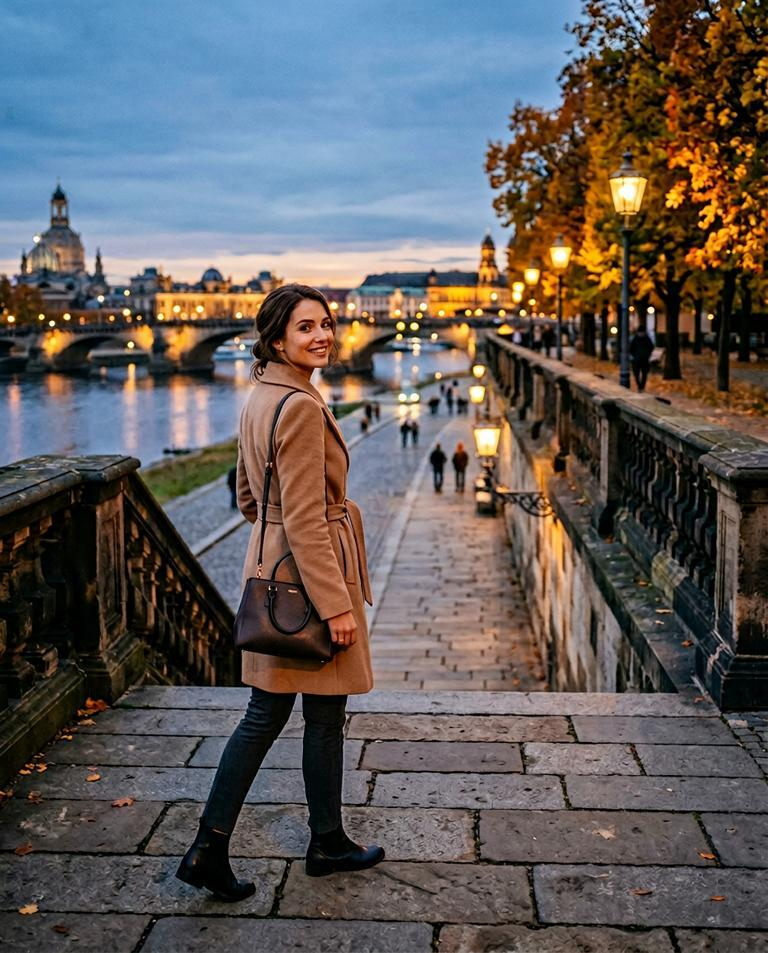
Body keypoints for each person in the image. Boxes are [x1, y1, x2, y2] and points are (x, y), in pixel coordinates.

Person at [176, 284, 384, 902]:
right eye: (305, 327)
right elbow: (306, 518)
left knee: (291, 713)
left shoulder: (261, 396)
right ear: (275, 340)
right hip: (312, 578)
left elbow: (249, 497)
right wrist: (335, 604)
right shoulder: (299, 406)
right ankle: (236, 846)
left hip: (271, 568)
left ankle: (312, 839)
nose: (323, 336)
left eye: (326, 323)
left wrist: (272, 536)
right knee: (295, 715)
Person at [629, 325, 654, 392]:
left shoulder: (647, 339)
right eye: (640, 332)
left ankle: (642, 387)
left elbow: (651, 347)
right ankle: (639, 386)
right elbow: (631, 349)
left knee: (644, 374)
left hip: (644, 360)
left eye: (642, 332)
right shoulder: (635, 339)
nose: (641, 334)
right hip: (636, 360)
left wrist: (647, 354)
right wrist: (635, 355)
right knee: (636, 374)